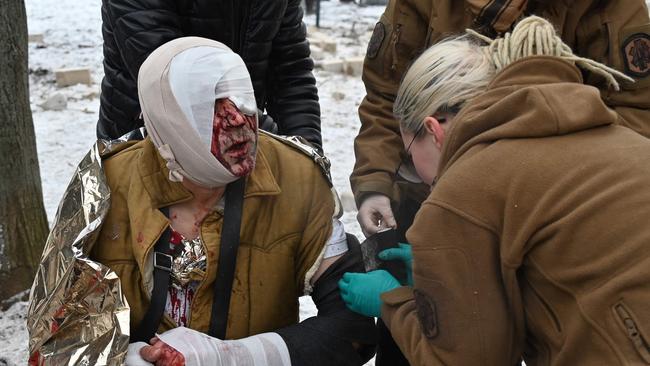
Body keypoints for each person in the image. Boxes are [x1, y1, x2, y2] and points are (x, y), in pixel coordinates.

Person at [28, 37, 375, 366]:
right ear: (166, 122)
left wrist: (242, 356)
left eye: (241, 99)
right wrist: (122, 357)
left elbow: (353, 326)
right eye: (207, 106)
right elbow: (53, 333)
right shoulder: (107, 184)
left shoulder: (296, 177)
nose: (238, 120)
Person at [339, 15, 650, 365]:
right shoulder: (625, 142)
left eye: (409, 157)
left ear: (434, 130)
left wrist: (393, 300)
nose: (415, 175)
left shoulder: (465, 191)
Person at [98, 0, 323, 151]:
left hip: (242, 143)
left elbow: (291, 73)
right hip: (150, 149)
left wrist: (308, 155)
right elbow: (175, 76)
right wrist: (276, 150)